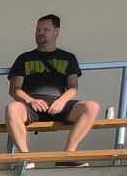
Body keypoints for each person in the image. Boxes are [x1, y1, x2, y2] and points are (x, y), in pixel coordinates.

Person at [6, 14, 103, 157]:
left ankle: (68, 155)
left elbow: (73, 87)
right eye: (38, 30)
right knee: (12, 108)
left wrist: (61, 101)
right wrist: (30, 101)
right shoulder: (24, 58)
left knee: (92, 107)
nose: (40, 33)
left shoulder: (68, 58)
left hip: (58, 104)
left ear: (56, 32)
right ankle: (25, 158)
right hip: (31, 105)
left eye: (46, 29)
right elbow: (14, 90)